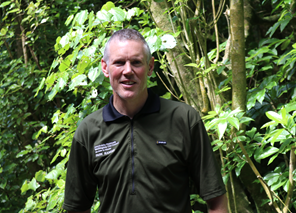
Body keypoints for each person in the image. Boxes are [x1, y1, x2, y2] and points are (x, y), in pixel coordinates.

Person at [63, 28, 227, 213]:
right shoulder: (88, 131)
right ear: (105, 67)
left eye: (136, 62)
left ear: (150, 67)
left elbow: (216, 199)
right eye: (119, 63)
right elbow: (76, 207)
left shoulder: (184, 119)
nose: (128, 71)